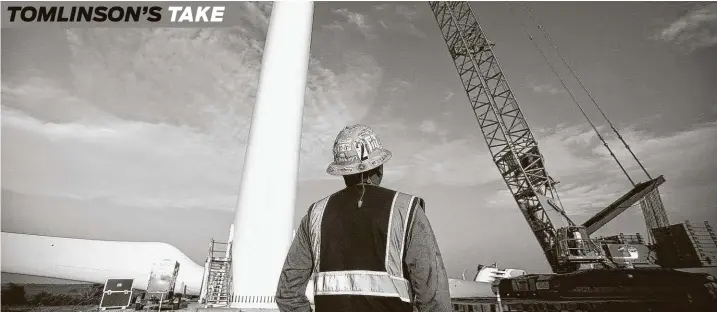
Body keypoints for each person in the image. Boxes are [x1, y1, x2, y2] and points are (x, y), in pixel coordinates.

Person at [275, 124, 452, 312]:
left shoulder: (315, 215)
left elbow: (288, 294)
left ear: (342, 171)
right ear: (379, 166)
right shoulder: (405, 210)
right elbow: (434, 298)